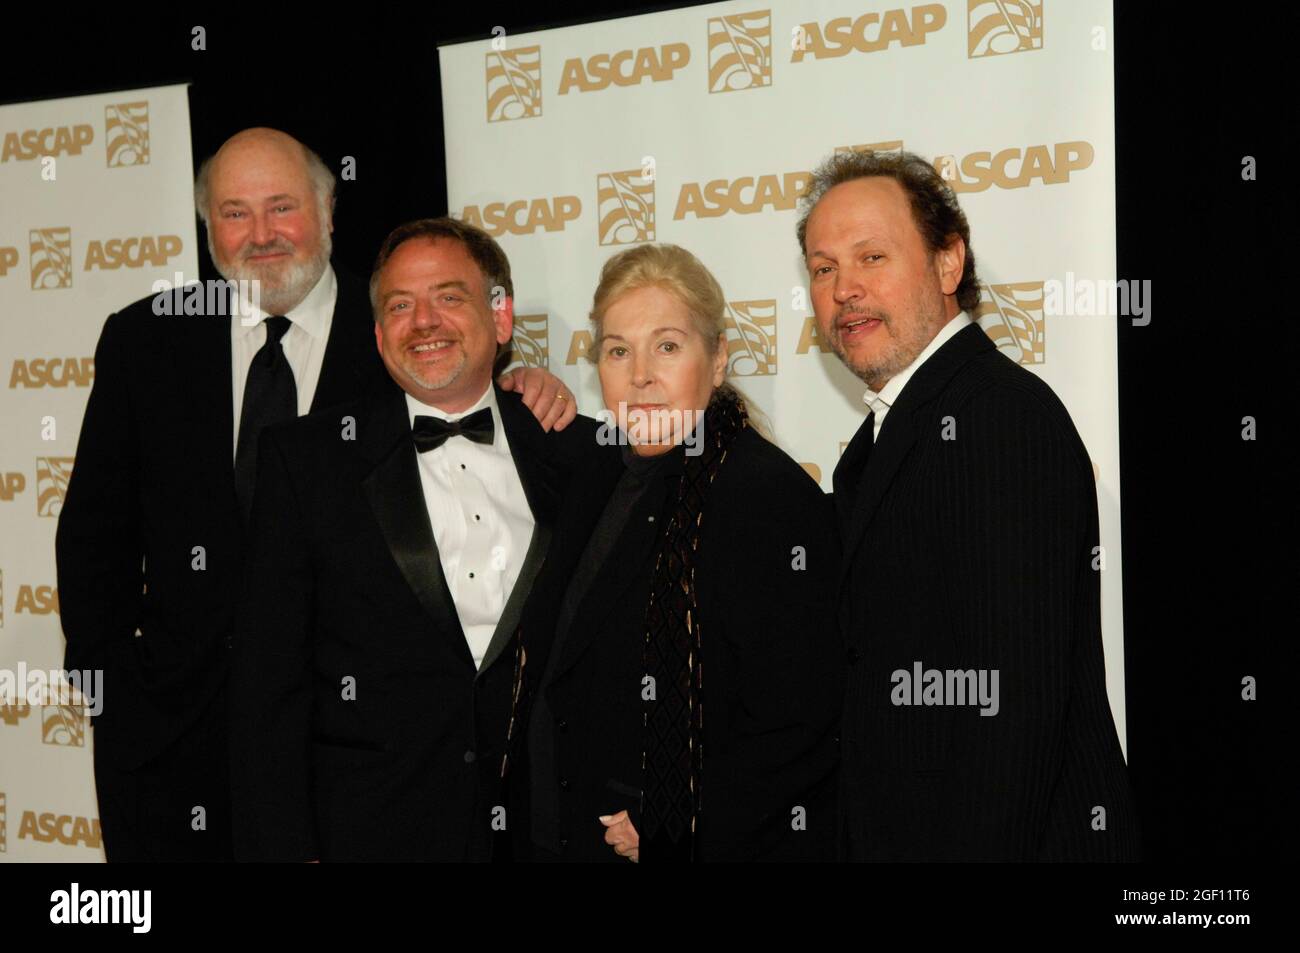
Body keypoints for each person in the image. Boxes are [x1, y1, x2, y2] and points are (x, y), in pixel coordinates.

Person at [55, 129, 575, 862]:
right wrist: (119, 695)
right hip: (172, 743)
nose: (261, 235)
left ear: (329, 211)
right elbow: (91, 539)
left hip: (351, 762)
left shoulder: (403, 336)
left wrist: (530, 386)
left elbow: (475, 398)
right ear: (208, 227)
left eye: (281, 208)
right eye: (234, 213)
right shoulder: (145, 341)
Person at [797, 149, 1140, 861]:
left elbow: (1012, 710)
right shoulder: (881, 440)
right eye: (824, 268)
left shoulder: (1002, 419)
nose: (843, 290)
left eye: (871, 257)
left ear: (949, 264)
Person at [227, 217, 599, 862]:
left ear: (501, 317)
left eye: (450, 297)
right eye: (401, 306)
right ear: (377, 335)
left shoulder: (582, 454)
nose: (424, 322)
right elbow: (267, 681)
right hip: (372, 832)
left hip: (549, 833)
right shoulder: (307, 462)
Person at [522, 243, 842, 863]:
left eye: (667, 346)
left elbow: (803, 717)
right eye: (618, 350)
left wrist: (684, 813)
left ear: (718, 358)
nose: (640, 373)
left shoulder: (762, 494)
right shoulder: (598, 471)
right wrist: (519, 380)